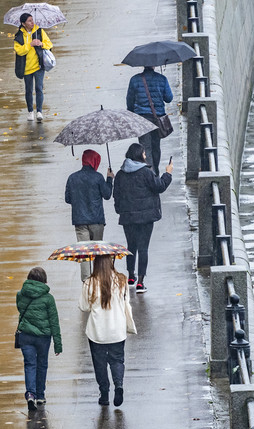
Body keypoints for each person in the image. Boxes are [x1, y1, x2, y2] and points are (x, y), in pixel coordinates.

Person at [112, 143, 173, 293]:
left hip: (128, 217)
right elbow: (159, 186)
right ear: (139, 155)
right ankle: (140, 281)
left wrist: (121, 211)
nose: (146, 156)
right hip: (146, 217)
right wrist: (168, 173)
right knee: (143, 248)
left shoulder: (120, 174)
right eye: (144, 154)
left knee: (131, 246)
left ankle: (130, 275)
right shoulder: (146, 172)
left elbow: (117, 196)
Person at [79, 255, 133, 407]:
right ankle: (119, 385)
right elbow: (126, 302)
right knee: (117, 360)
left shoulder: (90, 282)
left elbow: (83, 307)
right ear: (111, 262)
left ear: (95, 264)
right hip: (117, 329)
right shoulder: (122, 280)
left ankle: (104, 394)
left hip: (97, 331)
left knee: (99, 363)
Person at [16, 267, 62, 411]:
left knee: (30, 364)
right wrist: (58, 344)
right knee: (42, 364)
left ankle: (30, 394)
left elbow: (20, 309)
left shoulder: (20, 295)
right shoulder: (48, 298)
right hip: (43, 337)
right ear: (44, 280)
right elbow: (54, 321)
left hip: (25, 335)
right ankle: (40, 395)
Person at [65, 149, 115, 281]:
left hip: (80, 221)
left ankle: (86, 281)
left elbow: (68, 199)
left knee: (84, 252)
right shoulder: (98, 177)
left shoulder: (72, 178)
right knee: (97, 252)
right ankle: (98, 278)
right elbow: (107, 195)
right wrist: (109, 179)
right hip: (97, 220)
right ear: (94, 161)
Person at [126, 66, 173, 174]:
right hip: (158, 118)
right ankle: (155, 171)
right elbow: (169, 98)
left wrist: (132, 113)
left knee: (145, 147)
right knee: (156, 146)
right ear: (154, 65)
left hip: (141, 119)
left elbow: (130, 101)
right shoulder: (162, 79)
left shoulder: (134, 80)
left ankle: (150, 173)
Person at [14, 13, 53, 122]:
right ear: (23, 23)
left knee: (39, 88)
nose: (32, 22)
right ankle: (30, 111)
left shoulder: (39, 31)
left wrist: (41, 43)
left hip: (39, 66)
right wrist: (30, 44)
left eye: (32, 20)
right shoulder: (19, 36)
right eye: (29, 21)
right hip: (26, 68)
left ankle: (39, 111)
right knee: (28, 90)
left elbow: (49, 44)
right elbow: (19, 51)